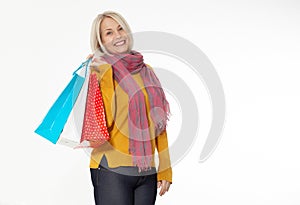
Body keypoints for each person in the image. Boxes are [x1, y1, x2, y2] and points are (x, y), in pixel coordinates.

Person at [86, 11, 172, 205]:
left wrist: (165, 166)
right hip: (111, 169)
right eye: (108, 33)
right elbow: (104, 121)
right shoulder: (99, 71)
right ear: (100, 42)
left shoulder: (146, 71)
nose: (117, 35)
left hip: (146, 171)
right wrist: (102, 73)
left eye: (120, 28)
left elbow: (159, 123)